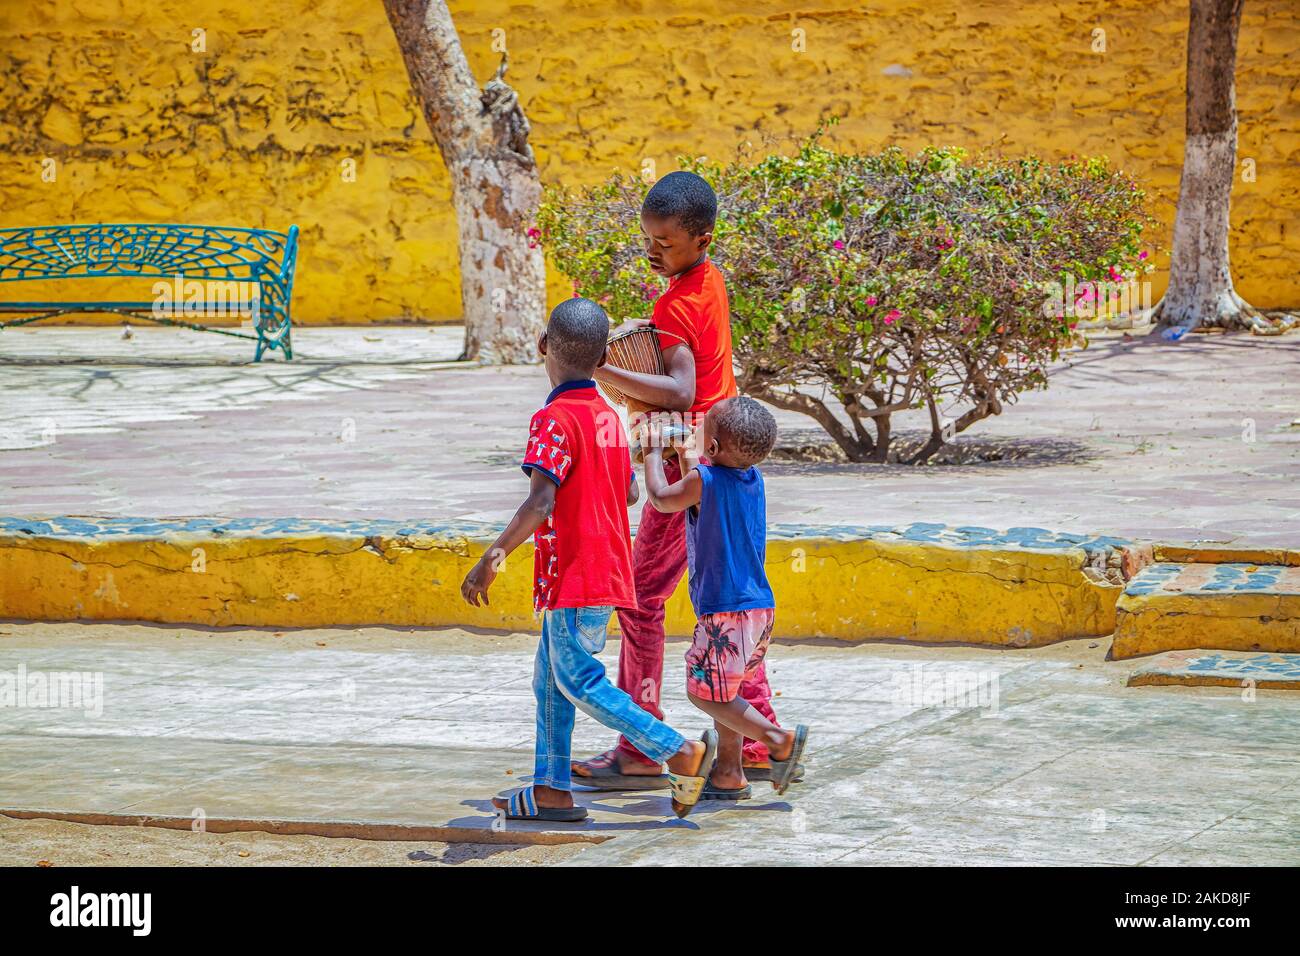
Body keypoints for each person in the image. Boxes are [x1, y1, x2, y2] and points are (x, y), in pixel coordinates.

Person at [460, 297, 715, 821]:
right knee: (549, 681)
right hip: (604, 570)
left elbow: (541, 501)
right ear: (603, 356)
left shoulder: (552, 419)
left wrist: (493, 556)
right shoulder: (608, 419)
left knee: (577, 680)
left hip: (574, 574)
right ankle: (551, 789)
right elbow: (626, 495)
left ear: (542, 348)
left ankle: (676, 750)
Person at [573, 170, 788, 789]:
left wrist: (600, 368)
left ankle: (643, 743)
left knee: (641, 601)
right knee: (736, 598)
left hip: (684, 458)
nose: (653, 251)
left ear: (701, 237)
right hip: (725, 458)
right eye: (649, 239)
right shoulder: (711, 280)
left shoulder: (676, 304)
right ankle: (753, 740)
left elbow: (682, 390)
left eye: (665, 243)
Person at [642, 397, 808, 798]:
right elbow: (700, 495)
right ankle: (729, 775)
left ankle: (777, 740)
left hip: (725, 613)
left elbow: (664, 499)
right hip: (758, 610)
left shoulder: (705, 481)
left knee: (702, 692)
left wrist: (650, 453)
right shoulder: (751, 478)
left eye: (704, 432)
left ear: (712, 448)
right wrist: (685, 456)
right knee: (726, 692)